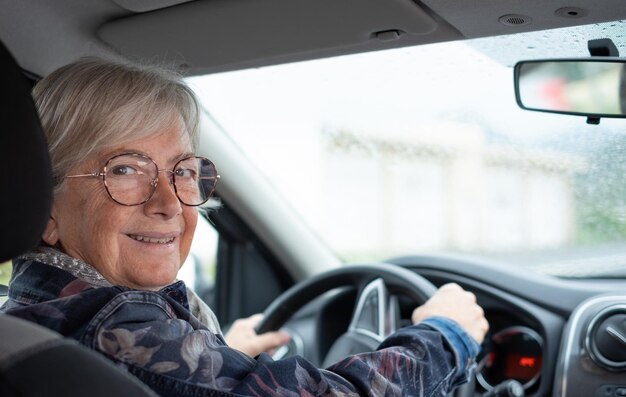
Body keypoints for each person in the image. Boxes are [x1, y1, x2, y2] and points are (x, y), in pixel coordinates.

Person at [1, 57, 488, 396]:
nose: (169, 203)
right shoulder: (109, 325)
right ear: (46, 202)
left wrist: (215, 357)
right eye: (125, 170)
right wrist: (445, 338)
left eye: (184, 171)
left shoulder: (34, 320)